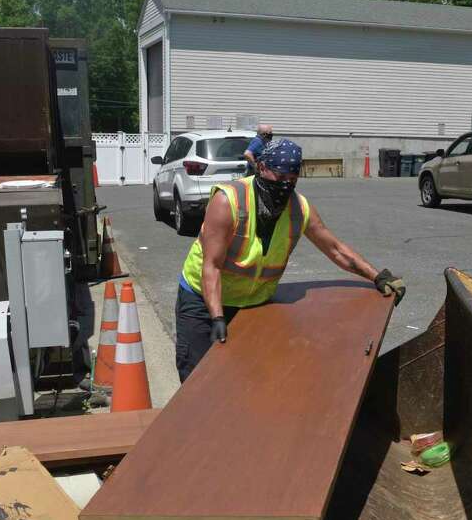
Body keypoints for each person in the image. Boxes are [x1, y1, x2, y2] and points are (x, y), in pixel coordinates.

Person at [174, 138, 405, 382]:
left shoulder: (299, 208)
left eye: (292, 180)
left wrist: (377, 276)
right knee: (197, 377)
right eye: (280, 177)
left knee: (245, 377)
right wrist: (217, 317)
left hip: (252, 304)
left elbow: (335, 249)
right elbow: (212, 265)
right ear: (262, 168)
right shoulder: (228, 201)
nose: (286, 186)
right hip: (202, 299)